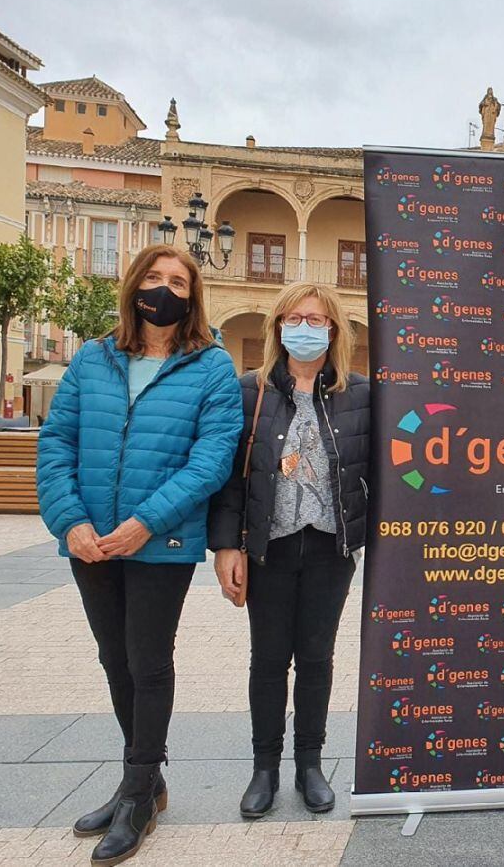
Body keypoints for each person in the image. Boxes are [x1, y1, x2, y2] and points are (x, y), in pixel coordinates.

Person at [36, 245, 242, 865]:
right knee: (113, 660)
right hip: (91, 544)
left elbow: (211, 460)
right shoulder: (92, 360)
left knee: (147, 662)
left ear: (193, 296)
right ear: (133, 286)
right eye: (154, 277)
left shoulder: (211, 368)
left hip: (163, 543)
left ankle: (136, 791)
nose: (164, 289)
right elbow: (57, 443)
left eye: (178, 281)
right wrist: (69, 521)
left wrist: (143, 523)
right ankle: (144, 784)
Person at [208, 282, 369, 819]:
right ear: (278, 326)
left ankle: (310, 764)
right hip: (269, 549)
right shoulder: (249, 391)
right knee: (269, 659)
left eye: (318, 320)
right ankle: (265, 767)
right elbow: (231, 477)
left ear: (334, 331)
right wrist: (227, 545)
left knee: (317, 658)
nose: (306, 327)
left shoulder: (359, 394)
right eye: (296, 318)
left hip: (330, 546)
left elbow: (381, 470)